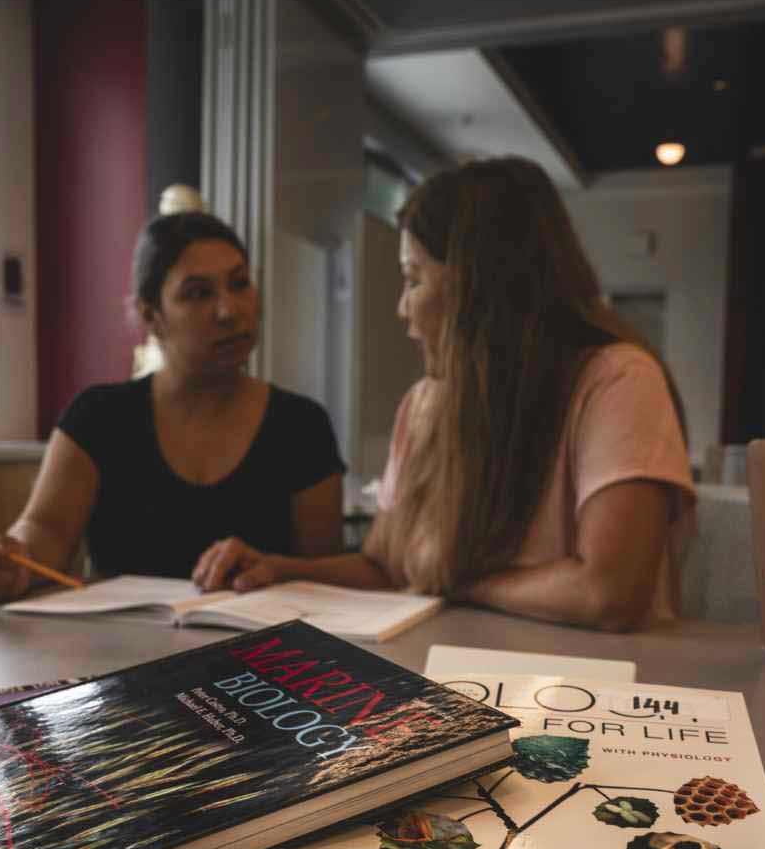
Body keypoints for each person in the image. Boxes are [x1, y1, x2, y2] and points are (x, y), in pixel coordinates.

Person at [194, 156, 695, 632]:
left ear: (479, 287)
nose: (401, 307)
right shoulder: (423, 404)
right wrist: (280, 570)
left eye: (413, 279)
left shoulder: (618, 380)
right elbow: (388, 567)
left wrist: (459, 580)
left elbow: (608, 594)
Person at [0, 211, 344, 602]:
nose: (229, 310)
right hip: (117, 651)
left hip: (264, 655)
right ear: (151, 315)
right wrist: (11, 561)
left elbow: (325, 577)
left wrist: (275, 568)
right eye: (198, 293)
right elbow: (44, 531)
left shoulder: (301, 426)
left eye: (240, 283)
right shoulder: (98, 418)